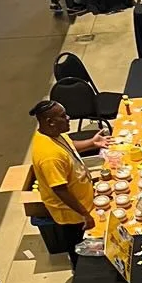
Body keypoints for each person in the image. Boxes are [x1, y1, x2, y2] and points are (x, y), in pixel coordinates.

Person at [28, 98, 102, 263]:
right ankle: (78, 269)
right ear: (51, 122)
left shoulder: (50, 134)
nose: (68, 118)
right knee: (79, 248)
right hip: (73, 214)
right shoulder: (49, 156)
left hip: (83, 203)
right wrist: (84, 214)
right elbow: (60, 190)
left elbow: (69, 145)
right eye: (63, 116)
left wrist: (92, 143)